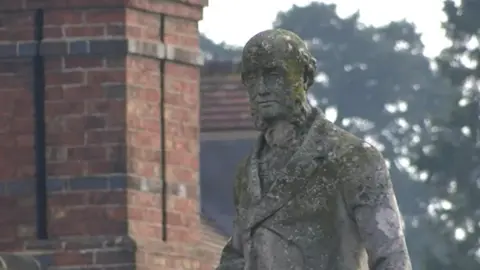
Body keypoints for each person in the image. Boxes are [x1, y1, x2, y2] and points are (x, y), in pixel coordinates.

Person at [215, 29, 412, 270]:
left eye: (273, 74)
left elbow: (391, 259)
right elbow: (237, 254)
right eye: (252, 78)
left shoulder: (353, 158)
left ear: (305, 77)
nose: (262, 88)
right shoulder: (247, 173)